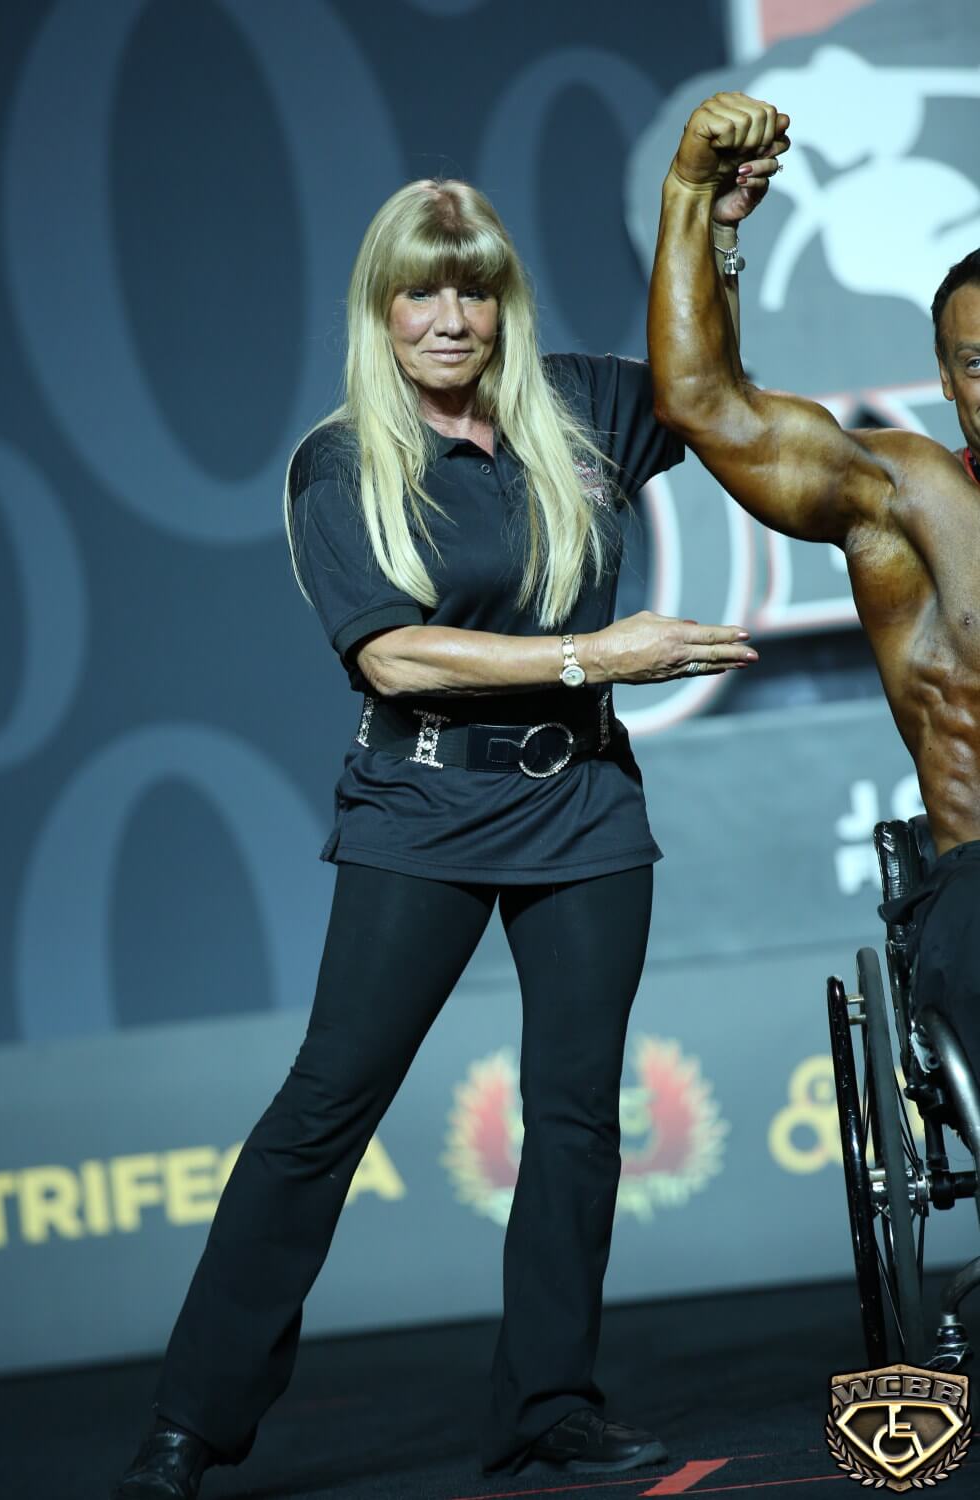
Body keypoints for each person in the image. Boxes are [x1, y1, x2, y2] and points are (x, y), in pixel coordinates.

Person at [111, 161, 777, 1499]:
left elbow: (704, 386)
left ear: (505, 302)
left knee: (576, 1113)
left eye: (473, 290)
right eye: (421, 293)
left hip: (581, 803)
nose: (451, 318)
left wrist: (709, 236)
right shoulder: (343, 460)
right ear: (382, 308)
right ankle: (189, 1424)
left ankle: (548, 1407)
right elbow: (396, 657)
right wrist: (595, 655)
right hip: (422, 803)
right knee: (325, 1106)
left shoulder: (576, 408)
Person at [648, 92, 980, 1079]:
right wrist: (693, 200)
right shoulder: (911, 498)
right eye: (978, 362)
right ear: (945, 379)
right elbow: (703, 403)